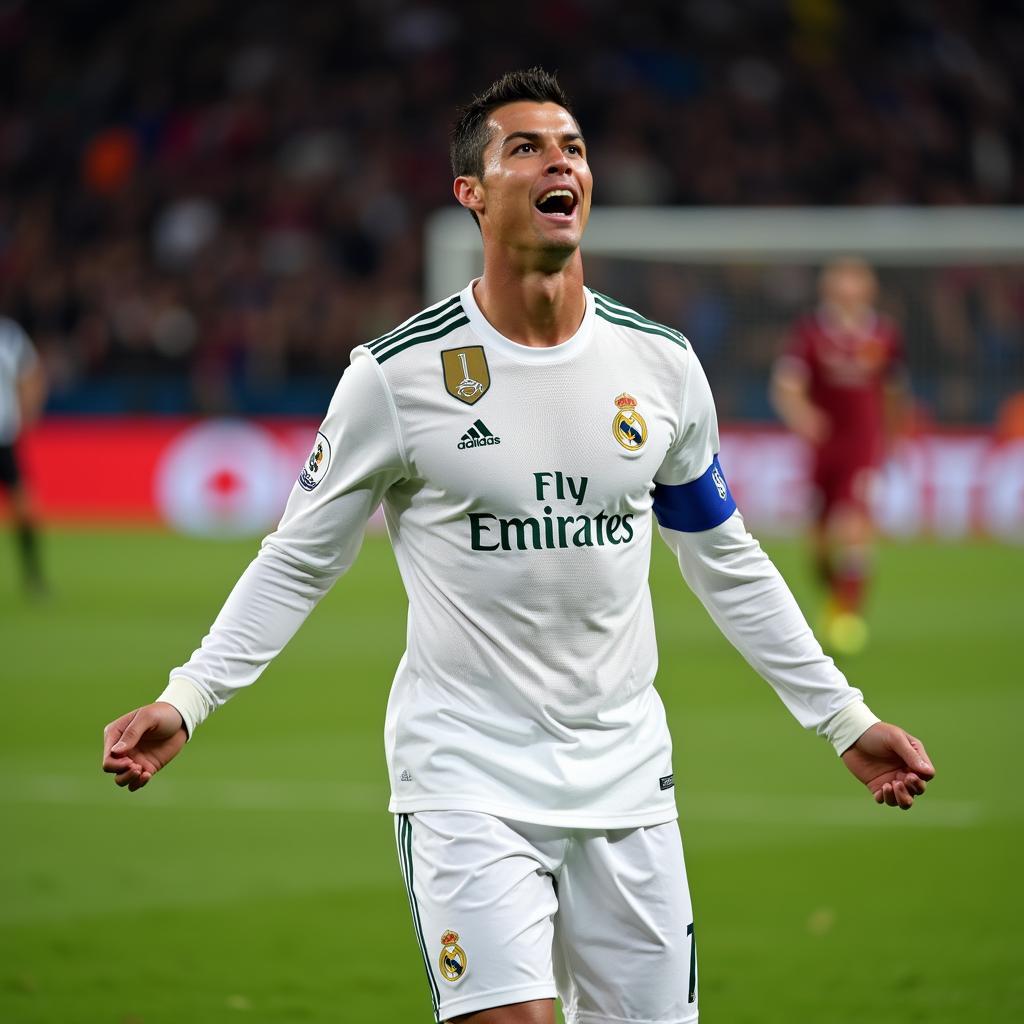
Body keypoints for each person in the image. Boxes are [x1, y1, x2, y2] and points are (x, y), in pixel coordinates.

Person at [102, 70, 934, 1024]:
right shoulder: (396, 377)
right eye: (527, 149)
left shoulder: (661, 368)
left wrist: (841, 718)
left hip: (628, 779)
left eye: (573, 148)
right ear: (472, 193)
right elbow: (299, 556)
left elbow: (726, 557)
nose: (559, 163)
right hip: (465, 776)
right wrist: (190, 696)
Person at [771, 259, 909, 656]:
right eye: (841, 284)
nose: (848, 291)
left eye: (855, 284)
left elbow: (894, 392)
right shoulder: (811, 334)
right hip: (823, 448)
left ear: (868, 290)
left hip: (862, 447)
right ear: (829, 290)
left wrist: (895, 435)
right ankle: (835, 597)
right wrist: (802, 415)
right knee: (817, 545)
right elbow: (787, 385)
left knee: (853, 526)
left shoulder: (883, 335)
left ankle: (848, 614)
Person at [0, 314, 47, 595]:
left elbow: (30, 375)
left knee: (23, 506)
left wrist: (28, 412)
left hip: (4, 437)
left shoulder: (8, 336)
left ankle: (33, 576)